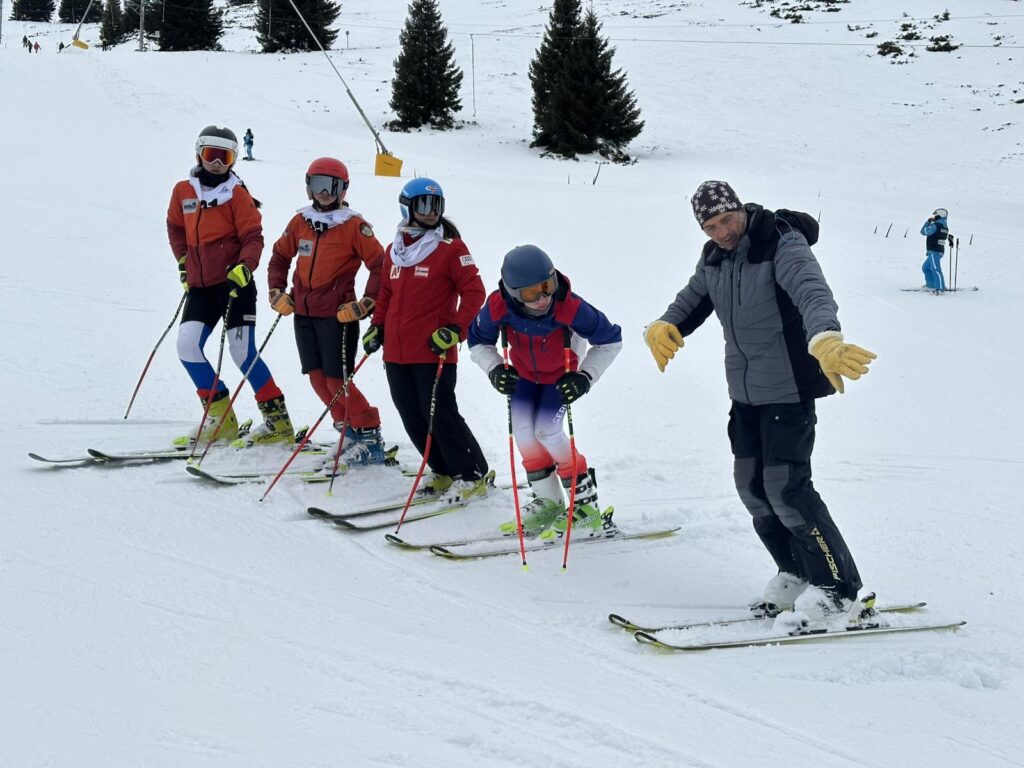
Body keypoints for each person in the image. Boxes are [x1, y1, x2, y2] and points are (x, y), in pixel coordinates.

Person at [644, 180, 877, 625]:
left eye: (727, 220)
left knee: (786, 490)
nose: (722, 233)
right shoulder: (715, 257)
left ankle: (837, 589)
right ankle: (794, 571)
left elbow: (812, 292)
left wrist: (825, 338)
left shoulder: (781, 242)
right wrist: (663, 324)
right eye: (710, 227)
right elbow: (695, 297)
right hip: (745, 394)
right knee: (751, 487)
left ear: (740, 210)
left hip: (788, 391)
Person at [468, 245, 622, 540]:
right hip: (524, 377)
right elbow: (476, 341)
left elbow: (610, 341)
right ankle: (548, 502)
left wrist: (585, 378)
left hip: (560, 378)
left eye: (547, 287)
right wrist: (495, 370)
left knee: (548, 431)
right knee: (524, 433)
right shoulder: (498, 307)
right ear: (513, 293)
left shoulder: (571, 307)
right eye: (530, 294)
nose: (542, 299)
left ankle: (585, 507)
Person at [362, 177, 490, 505]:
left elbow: (475, 293)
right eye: (423, 205)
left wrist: (455, 329)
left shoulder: (451, 249)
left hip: (434, 350)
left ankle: (471, 473)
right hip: (397, 352)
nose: (431, 212)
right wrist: (377, 327)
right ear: (407, 207)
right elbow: (387, 295)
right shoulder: (395, 251)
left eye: (436, 206)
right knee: (411, 414)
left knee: (441, 414)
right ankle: (443, 470)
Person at [166, 125, 293, 447]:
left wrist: (244, 267)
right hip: (200, 285)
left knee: (241, 351)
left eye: (226, 157)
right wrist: (183, 261)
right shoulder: (184, 191)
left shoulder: (237, 193)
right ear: (199, 153)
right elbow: (175, 227)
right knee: (187, 346)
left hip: (235, 285)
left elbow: (254, 236)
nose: (218, 163)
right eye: (212, 155)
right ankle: (220, 418)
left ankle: (278, 421)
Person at [267, 157, 388, 470]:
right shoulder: (300, 222)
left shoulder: (353, 226)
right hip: (303, 313)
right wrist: (277, 291)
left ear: (343, 189)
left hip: (338, 317)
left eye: (331, 186)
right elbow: (279, 257)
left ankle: (369, 434)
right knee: (318, 380)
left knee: (338, 382)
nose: (324, 193)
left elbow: (380, 265)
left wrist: (366, 302)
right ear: (308, 186)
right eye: (318, 185)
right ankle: (349, 432)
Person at [920, 207, 950, 293]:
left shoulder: (935, 226)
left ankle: (940, 288)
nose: (934, 217)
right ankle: (931, 285)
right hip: (939, 250)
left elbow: (923, 231)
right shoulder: (944, 226)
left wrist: (928, 222)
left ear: (940, 215)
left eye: (936, 215)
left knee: (936, 269)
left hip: (934, 250)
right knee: (925, 267)